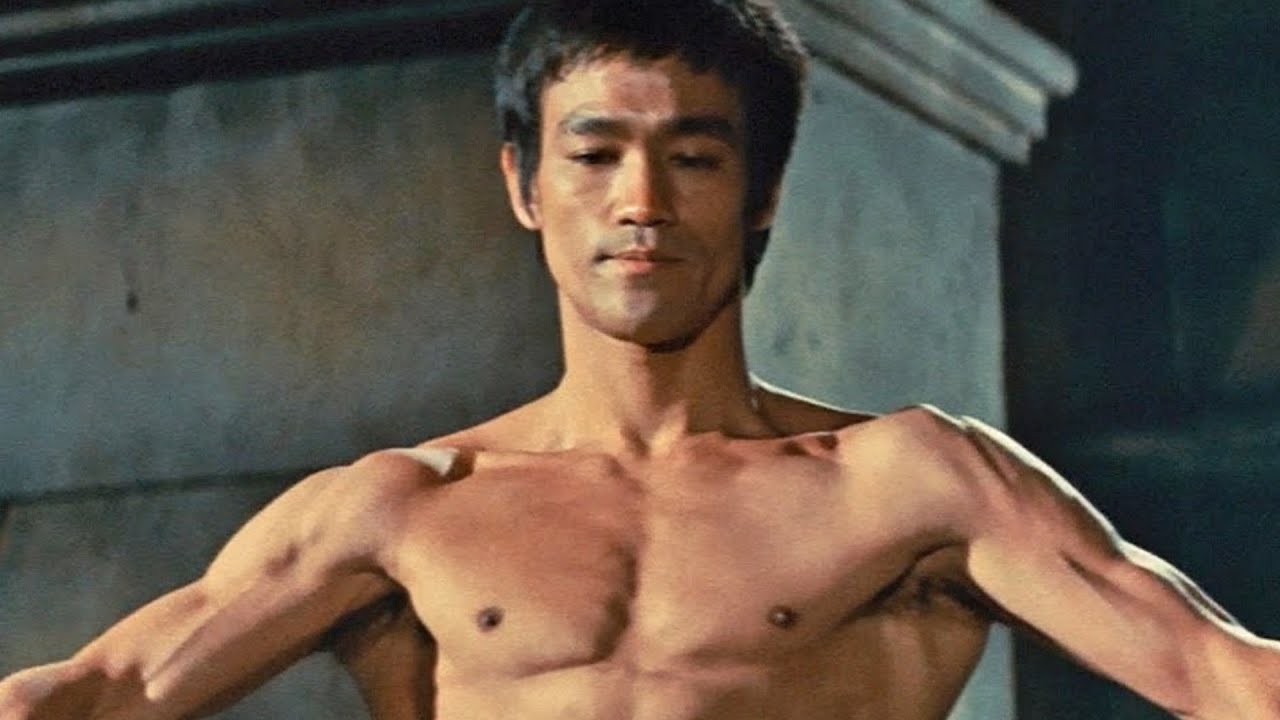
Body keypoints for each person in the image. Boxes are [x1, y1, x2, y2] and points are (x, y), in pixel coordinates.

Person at [2, 1, 1278, 718]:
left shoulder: (907, 485)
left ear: (760, 191)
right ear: (523, 185)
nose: (642, 204)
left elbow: (1221, 673)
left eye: (695, 158)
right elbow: (99, 695)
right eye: (595, 153)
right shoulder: (399, 510)